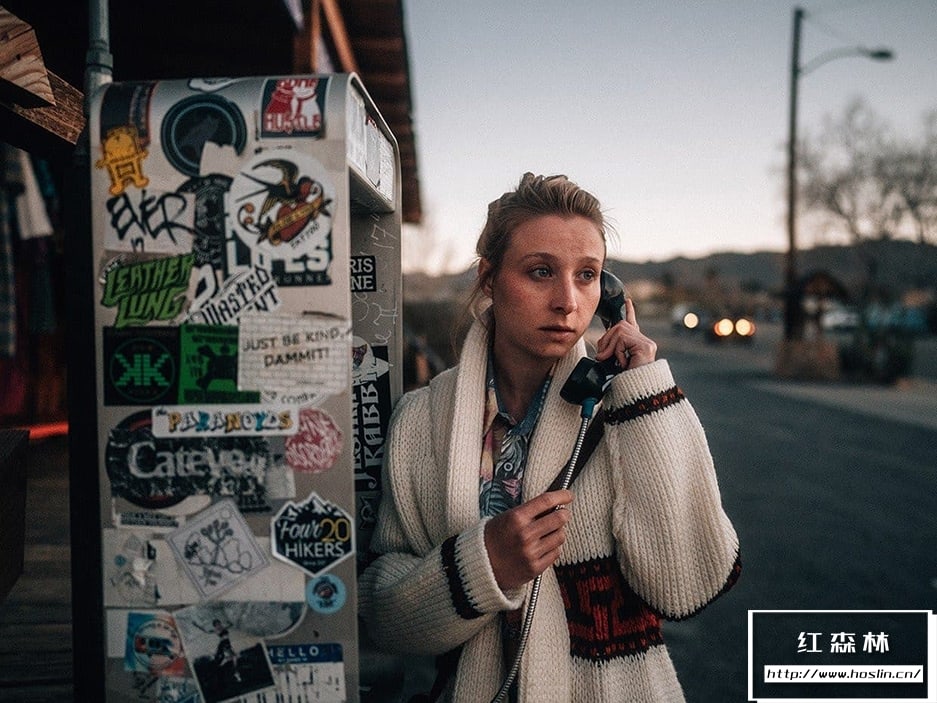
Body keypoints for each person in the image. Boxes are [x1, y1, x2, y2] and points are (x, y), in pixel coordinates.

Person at [359, 173, 740, 702]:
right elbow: (380, 614)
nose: (567, 300)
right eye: (541, 271)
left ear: (608, 292)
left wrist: (645, 390)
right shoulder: (421, 423)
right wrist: (482, 566)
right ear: (489, 280)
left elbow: (689, 586)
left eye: (587, 275)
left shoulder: (629, 408)